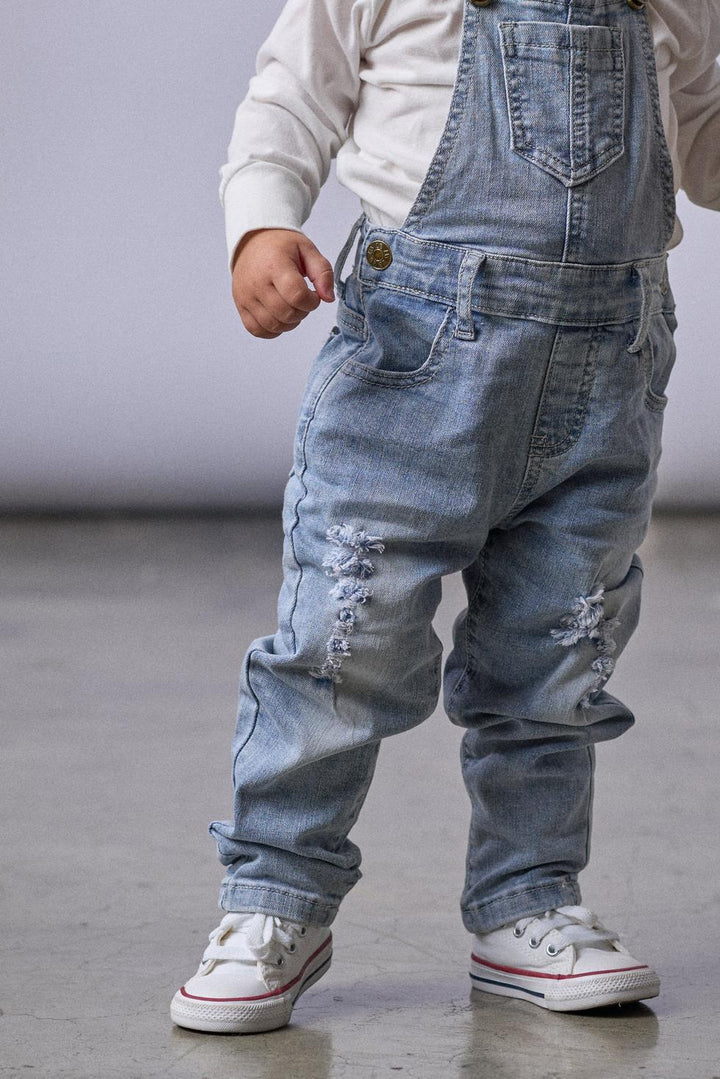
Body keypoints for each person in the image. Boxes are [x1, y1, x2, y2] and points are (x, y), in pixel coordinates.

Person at [171, 0, 720, 1034]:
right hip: (411, 365)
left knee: (559, 654)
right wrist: (261, 223)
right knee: (346, 641)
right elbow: (293, 97)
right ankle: (275, 895)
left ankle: (528, 896)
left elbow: (698, 126)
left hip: (607, 379)